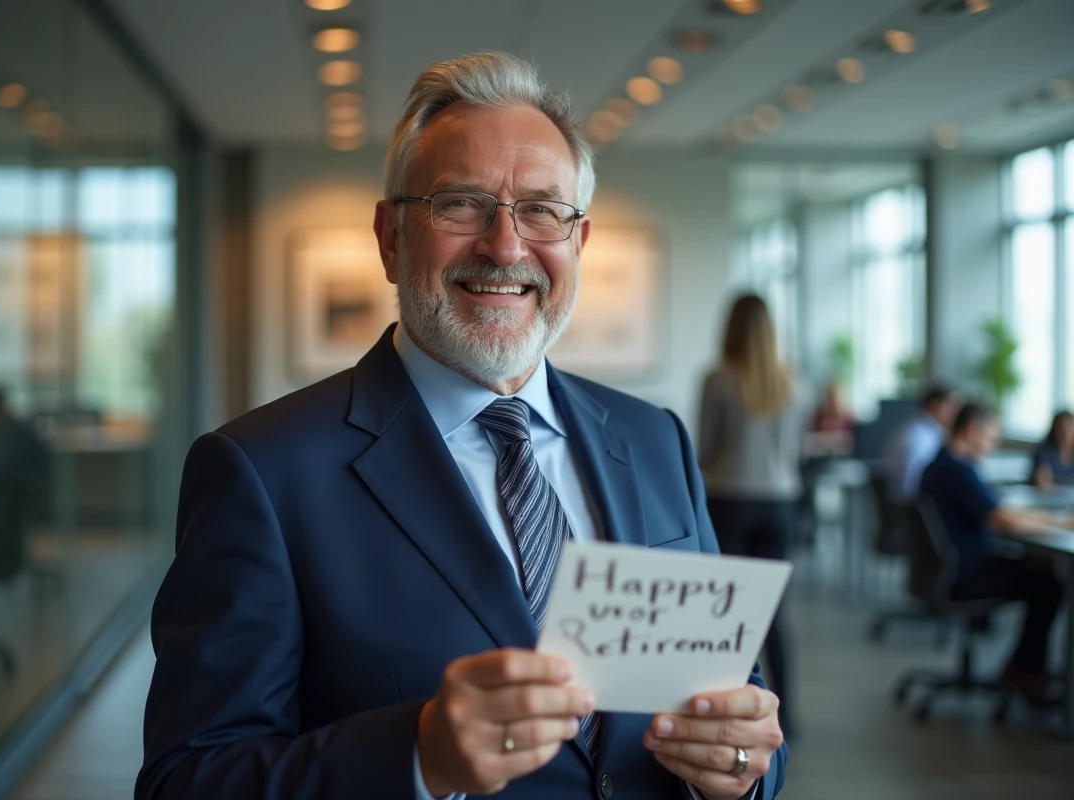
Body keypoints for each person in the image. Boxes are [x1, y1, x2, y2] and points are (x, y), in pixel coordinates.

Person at [137, 53, 786, 800]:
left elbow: (739, 708)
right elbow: (188, 780)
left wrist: (741, 770)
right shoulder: (263, 470)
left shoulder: (653, 440)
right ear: (389, 237)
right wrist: (415, 757)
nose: (506, 246)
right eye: (461, 204)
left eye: (543, 209)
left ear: (578, 242)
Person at [697, 294, 807, 741]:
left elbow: (705, 448)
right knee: (773, 613)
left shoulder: (718, 379)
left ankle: (726, 706)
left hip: (730, 499)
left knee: (727, 610)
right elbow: (795, 452)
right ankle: (789, 715)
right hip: (781, 503)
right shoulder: (794, 383)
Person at [919, 402, 1070, 707]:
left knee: (1037, 570)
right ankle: (1024, 671)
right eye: (990, 436)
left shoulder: (941, 463)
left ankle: (1026, 668)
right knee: (1048, 585)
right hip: (966, 573)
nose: (993, 443)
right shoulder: (957, 470)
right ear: (973, 430)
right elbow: (1003, 518)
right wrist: (1062, 522)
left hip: (950, 567)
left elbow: (998, 512)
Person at [883, 384, 959, 503]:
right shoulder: (920, 438)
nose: (955, 412)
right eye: (950, 405)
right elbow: (910, 485)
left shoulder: (915, 429)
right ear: (934, 405)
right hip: (914, 510)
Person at [1031, 410, 1074, 490]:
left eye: (1070, 428)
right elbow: (1042, 481)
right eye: (1062, 429)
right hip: (1050, 499)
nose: (1066, 433)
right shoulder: (1044, 452)